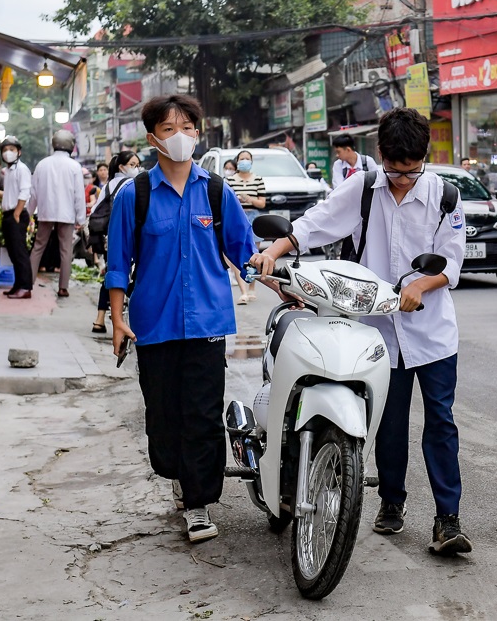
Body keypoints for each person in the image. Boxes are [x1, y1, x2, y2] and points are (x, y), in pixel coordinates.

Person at [250, 107, 473, 557]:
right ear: (380, 155)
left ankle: (447, 520)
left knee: (441, 424)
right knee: (387, 424)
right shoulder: (364, 187)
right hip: (375, 332)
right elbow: (316, 223)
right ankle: (391, 503)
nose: (403, 180)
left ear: (424, 157)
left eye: (412, 171)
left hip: (431, 333)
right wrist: (274, 249)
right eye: (394, 170)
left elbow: (452, 260)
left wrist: (420, 284)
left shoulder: (445, 196)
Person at [105, 94, 257, 544]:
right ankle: (177, 474)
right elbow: (118, 264)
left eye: (189, 127)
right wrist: (117, 319)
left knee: (204, 415)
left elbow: (244, 251)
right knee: (165, 418)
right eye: (170, 129)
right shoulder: (135, 195)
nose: (182, 136)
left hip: (208, 322)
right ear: (153, 139)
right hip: (154, 324)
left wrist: (285, 284)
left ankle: (199, 503)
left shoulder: (215, 190)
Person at [27, 130, 87, 298]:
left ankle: (28, 284)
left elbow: (34, 193)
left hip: (45, 212)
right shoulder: (74, 166)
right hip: (66, 214)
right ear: (71, 145)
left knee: (38, 247)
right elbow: (78, 195)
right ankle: (63, 288)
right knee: (66, 250)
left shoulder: (42, 164)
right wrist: (81, 219)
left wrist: (29, 214)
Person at [90, 150, 139, 333]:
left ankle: (100, 318)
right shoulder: (133, 185)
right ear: (122, 167)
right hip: (132, 237)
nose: (136, 168)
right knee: (131, 276)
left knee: (112, 274)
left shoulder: (109, 185)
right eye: (133, 165)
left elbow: (95, 210)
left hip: (110, 238)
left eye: (137, 165)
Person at [224, 151, 266, 305]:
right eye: (242, 159)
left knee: (254, 255)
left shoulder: (258, 180)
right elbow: (226, 202)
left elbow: (262, 203)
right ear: (237, 162)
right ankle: (243, 292)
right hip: (236, 217)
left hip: (253, 217)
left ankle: (252, 286)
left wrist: (248, 198)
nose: (245, 161)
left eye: (247, 159)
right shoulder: (228, 181)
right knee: (236, 254)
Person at [0, 137, 34, 299]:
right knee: (12, 252)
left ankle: (25, 287)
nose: (8, 153)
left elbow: (25, 192)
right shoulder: (8, 171)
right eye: (5, 150)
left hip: (17, 214)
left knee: (19, 252)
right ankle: (18, 284)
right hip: (8, 214)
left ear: (19, 152)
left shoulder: (22, 169)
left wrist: (17, 213)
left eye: (12, 149)